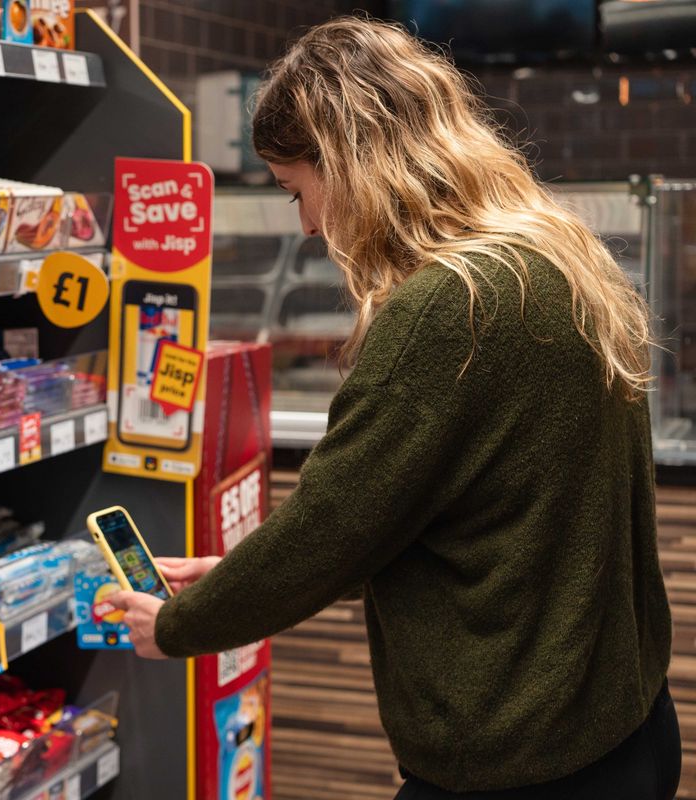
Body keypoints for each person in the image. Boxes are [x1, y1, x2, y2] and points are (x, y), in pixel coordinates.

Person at [107, 16, 681, 800]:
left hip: (516, 762)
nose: (307, 225)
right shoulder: (554, 254)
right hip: (623, 728)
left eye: (297, 190)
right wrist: (238, 577)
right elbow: (411, 515)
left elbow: (329, 528)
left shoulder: (446, 313)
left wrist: (177, 625)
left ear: (350, 162)